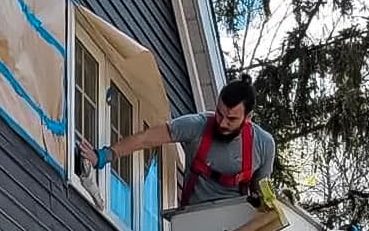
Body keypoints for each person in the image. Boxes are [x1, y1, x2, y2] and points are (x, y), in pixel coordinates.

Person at [80, 73, 275, 208]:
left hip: (234, 226)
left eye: (232, 119)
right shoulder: (197, 126)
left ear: (248, 117)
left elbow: (262, 196)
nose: (222, 122)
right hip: (193, 219)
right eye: (219, 113)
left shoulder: (263, 145)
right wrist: (103, 155)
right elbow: (146, 139)